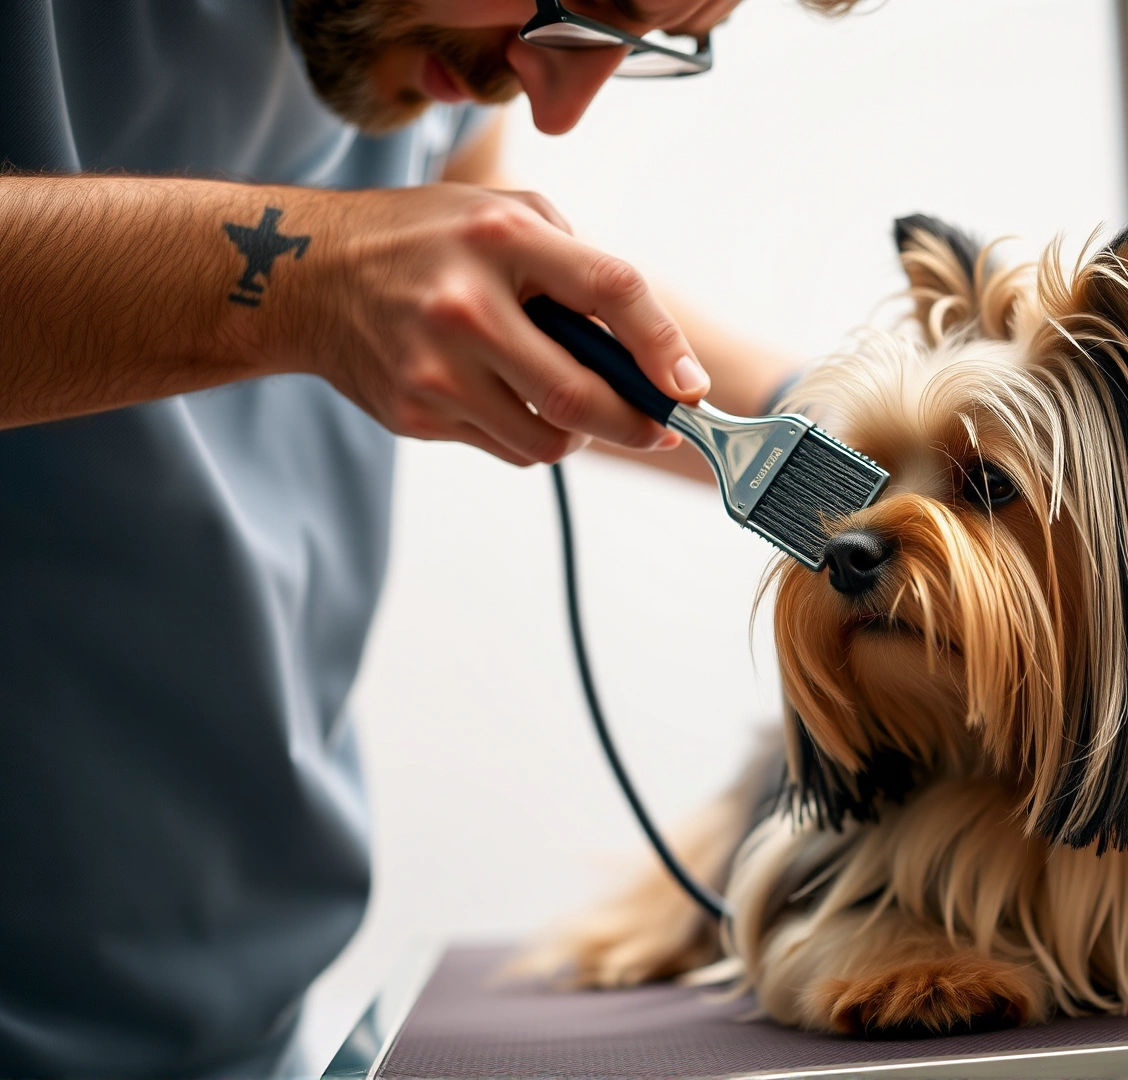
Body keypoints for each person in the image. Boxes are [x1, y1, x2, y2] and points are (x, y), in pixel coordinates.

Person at [0, 1, 836, 1075]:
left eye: (650, 38)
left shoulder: (434, 48)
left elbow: (477, 244)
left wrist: (813, 410)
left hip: (227, 1013)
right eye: (574, 1)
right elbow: (363, 262)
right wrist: (305, 282)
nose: (559, 100)